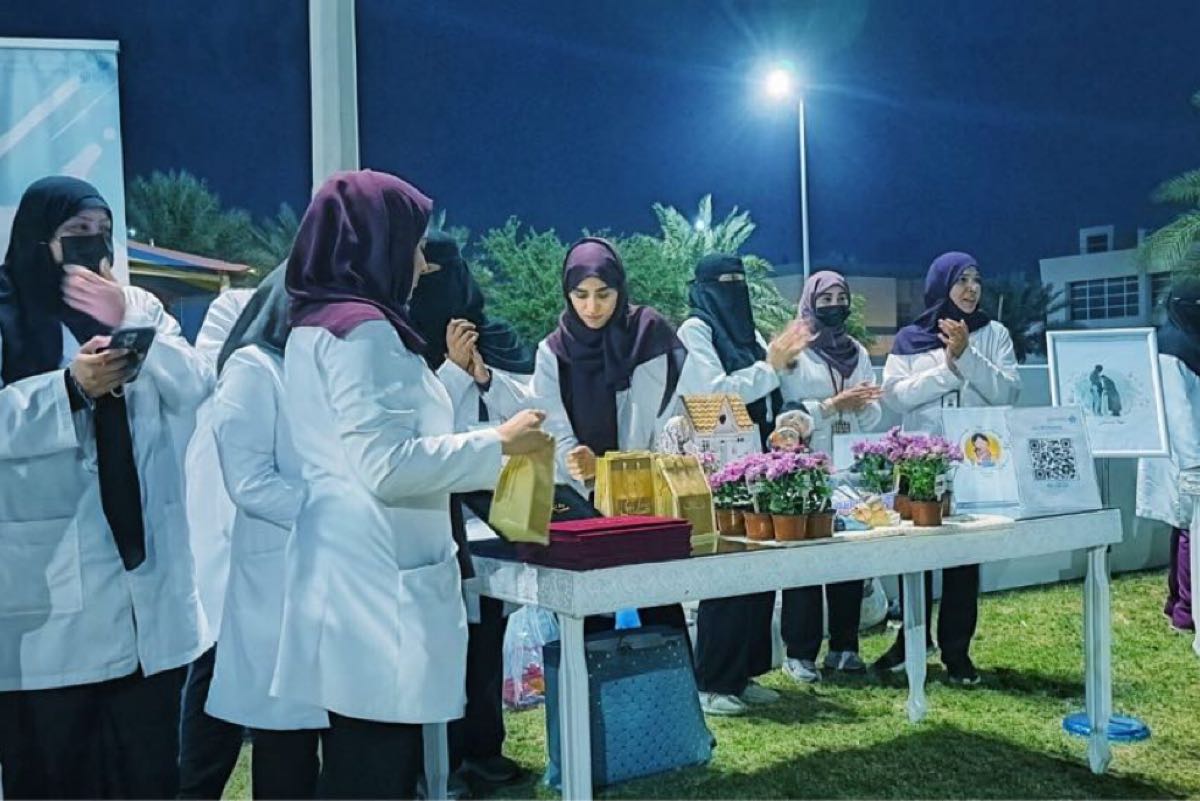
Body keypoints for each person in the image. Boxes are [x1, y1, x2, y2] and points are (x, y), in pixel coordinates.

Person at [269, 170, 549, 799]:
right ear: (377, 242)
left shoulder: (317, 325)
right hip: (376, 585)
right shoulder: (363, 332)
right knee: (375, 767)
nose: (422, 264)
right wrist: (499, 443)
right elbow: (387, 465)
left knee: (359, 759)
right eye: (414, 244)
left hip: (348, 570)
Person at [0, 176, 210, 798]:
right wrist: (69, 389)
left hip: (146, 591)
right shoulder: (6, 312)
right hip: (48, 603)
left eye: (103, 232)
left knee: (149, 774)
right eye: (76, 233)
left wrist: (129, 318)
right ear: (39, 239)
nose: (93, 246)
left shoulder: (135, 304)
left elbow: (196, 387)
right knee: (58, 776)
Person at [410, 230, 534, 791]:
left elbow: (529, 410)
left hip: (496, 513)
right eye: (427, 273)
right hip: (436, 515)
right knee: (443, 642)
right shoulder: (405, 342)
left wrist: (481, 374)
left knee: (487, 641)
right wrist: (453, 372)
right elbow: (422, 428)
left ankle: (484, 747)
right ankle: (439, 760)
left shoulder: (495, 337)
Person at [203, 267, 328, 799]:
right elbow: (250, 482)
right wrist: (332, 514)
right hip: (276, 584)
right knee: (285, 745)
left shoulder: (317, 371)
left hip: (328, 578)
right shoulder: (253, 368)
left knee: (333, 737)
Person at [875, 251, 1021, 685]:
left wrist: (968, 356)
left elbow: (1008, 392)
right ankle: (911, 640)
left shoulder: (994, 334)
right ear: (941, 285)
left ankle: (957, 650)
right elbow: (896, 396)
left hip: (973, 461)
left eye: (976, 279)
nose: (972, 289)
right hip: (918, 463)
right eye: (962, 280)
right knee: (913, 554)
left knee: (964, 558)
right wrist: (949, 369)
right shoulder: (909, 338)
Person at [532, 237, 688, 633]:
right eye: (580, 295)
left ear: (620, 288)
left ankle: (667, 675)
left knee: (660, 605)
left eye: (603, 294)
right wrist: (577, 463)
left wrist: (608, 468)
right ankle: (593, 678)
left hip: (646, 494)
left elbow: (659, 421)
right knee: (589, 616)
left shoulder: (648, 335)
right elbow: (554, 426)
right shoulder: (552, 351)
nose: (592, 307)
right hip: (583, 502)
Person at [675, 253, 805, 716]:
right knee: (727, 575)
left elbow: (774, 390)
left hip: (761, 465)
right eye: (723, 282)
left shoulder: (749, 335)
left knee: (758, 575)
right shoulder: (695, 330)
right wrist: (770, 367)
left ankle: (744, 673)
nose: (733, 289)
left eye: (739, 281)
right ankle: (713, 680)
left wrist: (787, 419)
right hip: (721, 467)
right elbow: (713, 395)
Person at [777, 271, 882, 684]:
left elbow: (873, 415)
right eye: (826, 298)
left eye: (841, 296)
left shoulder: (857, 351)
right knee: (806, 559)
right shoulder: (795, 351)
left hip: (848, 467)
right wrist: (835, 405)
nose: (835, 304)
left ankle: (844, 647)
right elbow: (787, 414)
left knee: (848, 556)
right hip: (804, 467)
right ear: (810, 302)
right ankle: (800, 653)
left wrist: (860, 406)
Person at [178, 286, 255, 800]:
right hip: (227, 534)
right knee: (216, 669)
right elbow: (207, 371)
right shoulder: (235, 309)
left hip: (275, 555)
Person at [1138, 275, 1200, 634]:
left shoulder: (1186, 341)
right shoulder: (1173, 348)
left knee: (1185, 527)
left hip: (1186, 455)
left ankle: (1176, 601)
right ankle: (1186, 612)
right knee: (1191, 530)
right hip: (1183, 456)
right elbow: (1177, 413)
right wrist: (1193, 463)